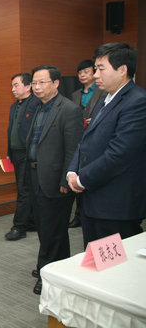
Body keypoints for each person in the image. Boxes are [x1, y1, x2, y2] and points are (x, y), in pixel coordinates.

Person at [67, 43, 146, 247]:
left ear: (122, 70)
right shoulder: (106, 99)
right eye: (95, 69)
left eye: (101, 69)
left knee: (116, 263)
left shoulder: (137, 101)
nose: (95, 75)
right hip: (95, 200)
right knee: (95, 257)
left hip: (115, 204)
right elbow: (86, 140)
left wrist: (82, 179)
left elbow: (120, 154)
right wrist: (72, 171)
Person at [26, 65, 83, 295]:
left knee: (54, 229)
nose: (37, 87)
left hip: (56, 180)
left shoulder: (69, 109)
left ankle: (47, 273)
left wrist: (65, 180)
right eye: (34, 83)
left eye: (42, 82)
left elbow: (73, 149)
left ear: (56, 83)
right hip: (36, 176)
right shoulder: (38, 107)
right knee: (44, 227)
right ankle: (55, 267)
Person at [68, 59, 107, 228]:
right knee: (77, 173)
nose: (82, 75)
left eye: (86, 72)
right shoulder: (75, 94)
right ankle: (79, 214)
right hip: (78, 137)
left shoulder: (103, 91)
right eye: (80, 73)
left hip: (96, 139)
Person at [4, 73, 39, 241]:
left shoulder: (35, 104)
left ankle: (19, 226)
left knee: (24, 190)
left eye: (16, 85)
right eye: (12, 85)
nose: (13, 89)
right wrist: (9, 152)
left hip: (27, 153)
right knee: (24, 188)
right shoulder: (14, 106)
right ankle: (31, 221)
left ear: (28, 86)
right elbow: (11, 130)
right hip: (15, 152)